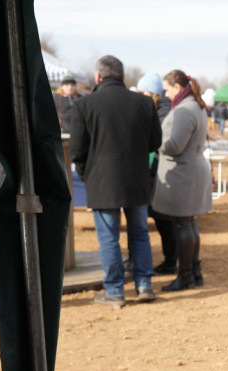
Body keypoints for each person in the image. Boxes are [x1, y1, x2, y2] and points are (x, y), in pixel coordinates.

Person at [70, 55, 162, 307]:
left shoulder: (84, 104)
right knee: (139, 234)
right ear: (122, 76)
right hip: (137, 178)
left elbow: (76, 150)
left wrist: (86, 174)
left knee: (109, 238)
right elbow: (155, 142)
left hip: (102, 180)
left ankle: (114, 290)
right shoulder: (144, 103)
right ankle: (144, 285)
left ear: (98, 76)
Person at [154, 70, 212, 292]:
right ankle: (194, 272)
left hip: (183, 173)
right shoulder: (195, 105)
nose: (166, 95)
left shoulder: (184, 110)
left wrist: (154, 141)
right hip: (191, 170)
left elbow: (174, 146)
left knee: (183, 225)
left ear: (177, 87)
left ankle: (186, 276)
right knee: (189, 223)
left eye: (167, 90)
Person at [135, 72, 177, 276]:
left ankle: (171, 261)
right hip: (156, 171)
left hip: (161, 172)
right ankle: (170, 259)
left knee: (165, 220)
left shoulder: (164, 112)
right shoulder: (159, 108)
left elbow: (156, 139)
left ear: (153, 93)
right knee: (162, 220)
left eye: (143, 92)